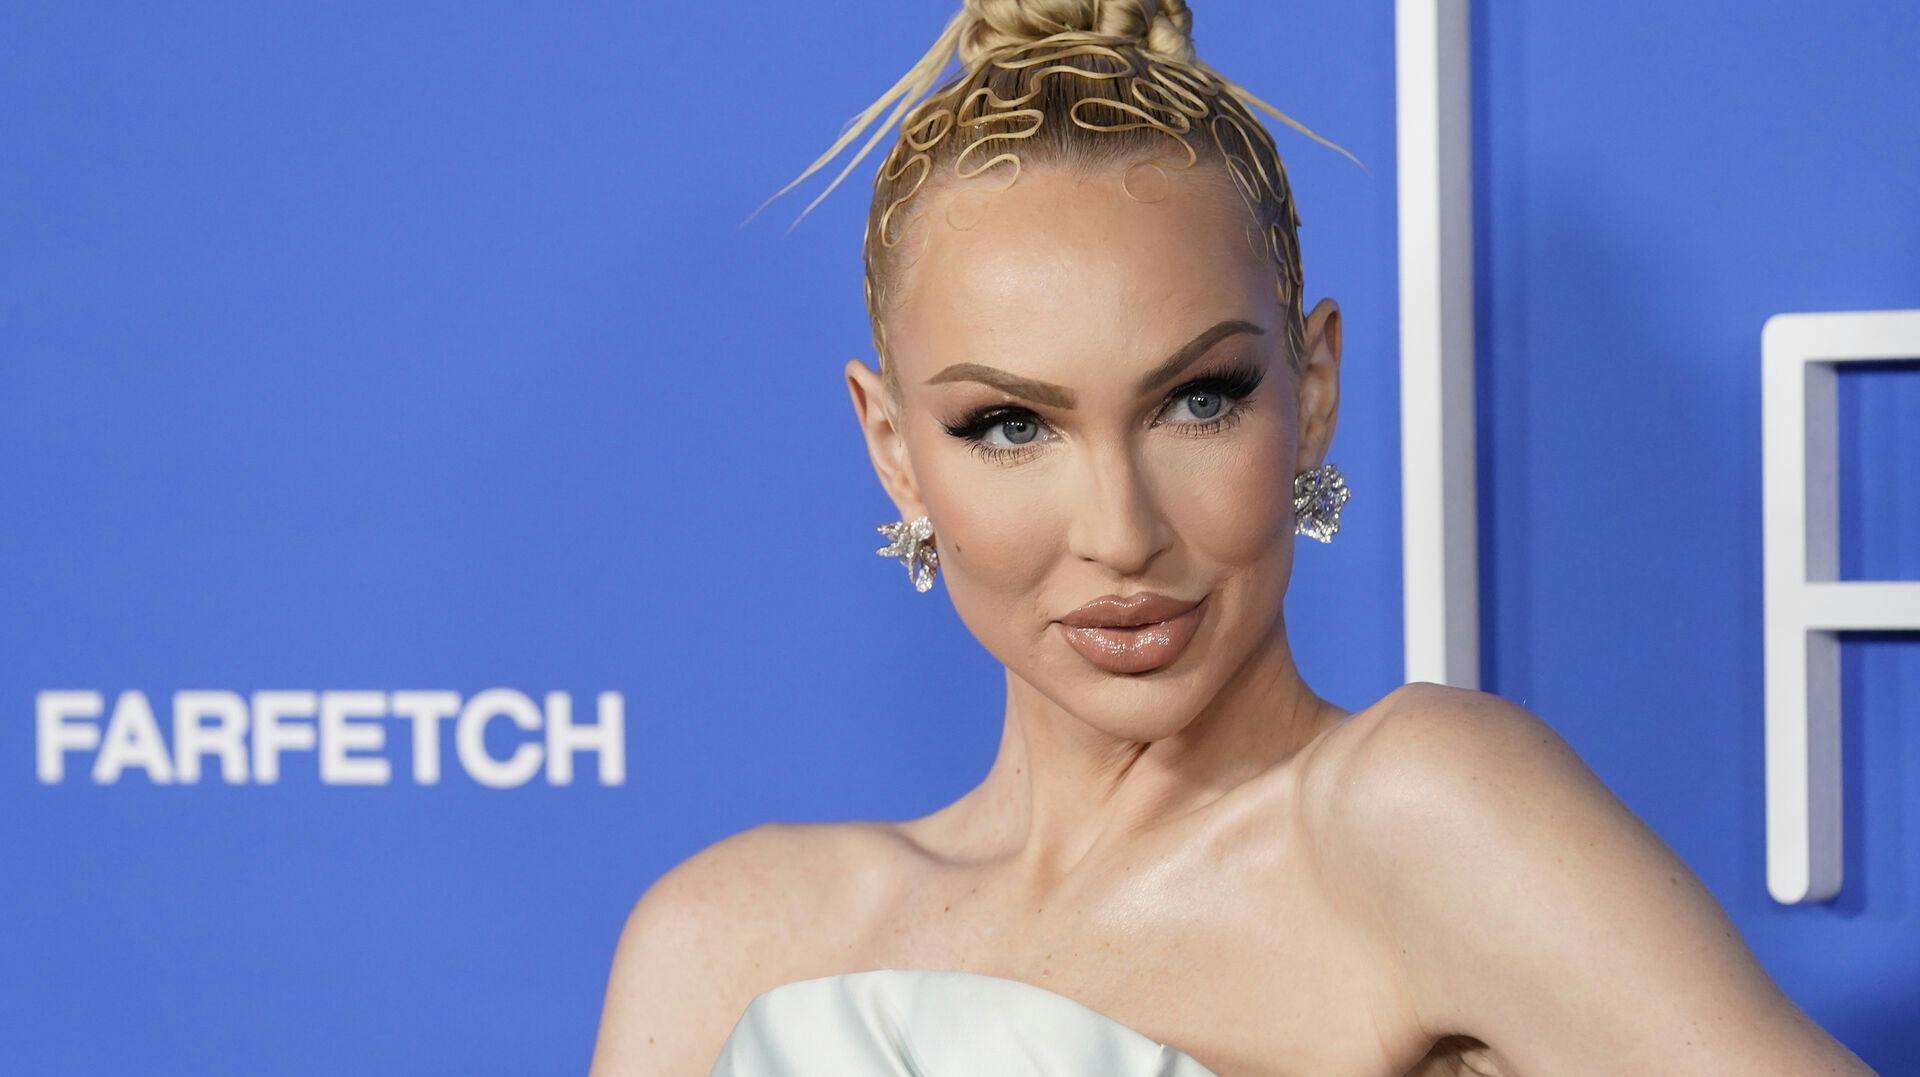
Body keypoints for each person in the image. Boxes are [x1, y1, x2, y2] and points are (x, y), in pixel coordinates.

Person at [589, 2, 1877, 1073]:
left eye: (1199, 401)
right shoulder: (724, 943)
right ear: (891, 446)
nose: (1120, 531)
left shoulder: (1420, 822)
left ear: (1311, 389)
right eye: (1007, 426)